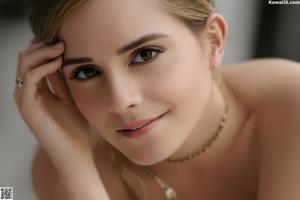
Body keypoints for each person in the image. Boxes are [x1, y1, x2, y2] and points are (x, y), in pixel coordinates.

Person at [13, 0, 300, 199]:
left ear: (214, 41)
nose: (120, 100)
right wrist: (79, 175)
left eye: (145, 55)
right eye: (86, 72)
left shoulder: (291, 105)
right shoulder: (61, 167)